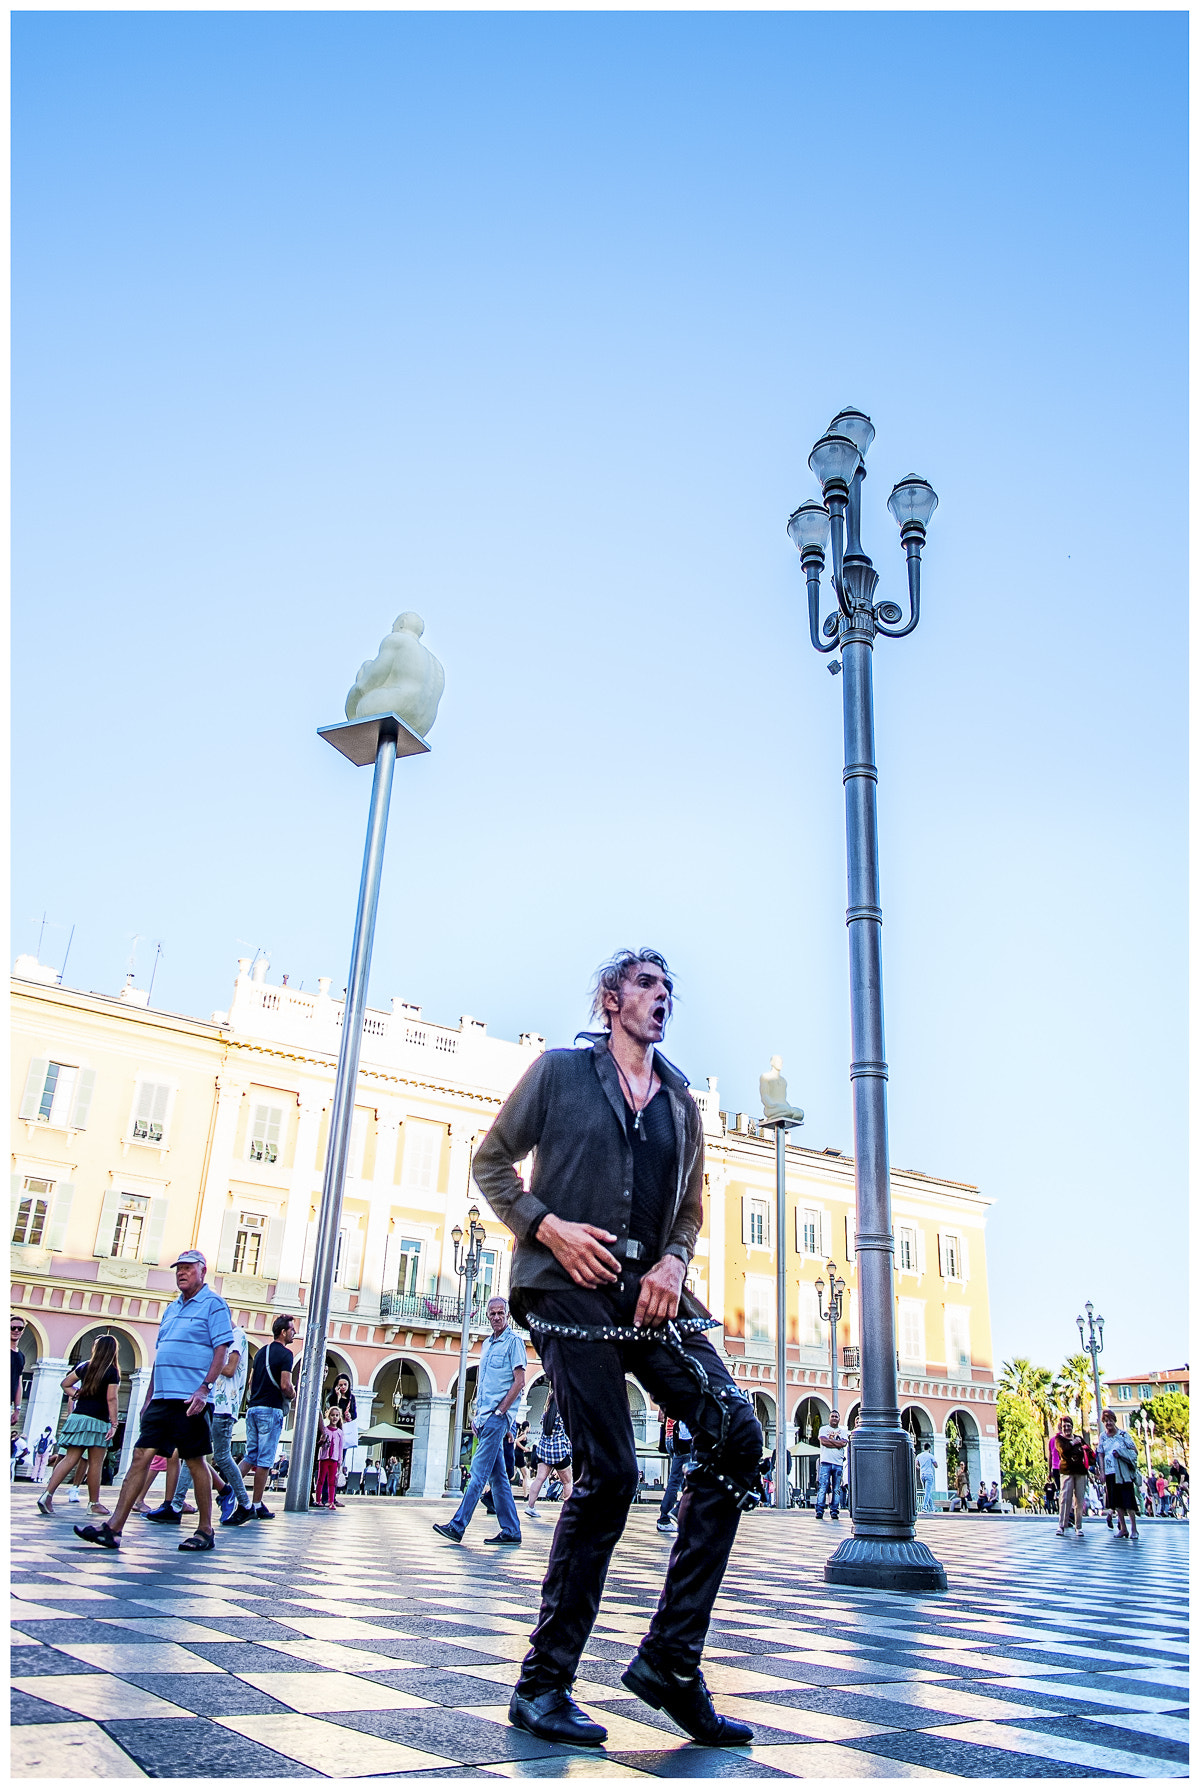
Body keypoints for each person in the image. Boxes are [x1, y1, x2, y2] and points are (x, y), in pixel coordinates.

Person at [472, 948, 760, 1749]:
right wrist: (545, 1225)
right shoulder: (560, 1071)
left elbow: (692, 1207)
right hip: (566, 1288)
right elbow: (490, 1160)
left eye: (669, 988)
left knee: (738, 1434)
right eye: (645, 984)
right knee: (612, 1474)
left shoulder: (680, 1100)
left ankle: (671, 1660)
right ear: (610, 999)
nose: (661, 997)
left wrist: (674, 1258)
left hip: (650, 1291)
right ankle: (542, 1685)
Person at [74, 1250, 233, 1553]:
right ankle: (114, 1528)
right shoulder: (171, 1308)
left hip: (190, 1398)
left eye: (187, 1268)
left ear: (203, 1271)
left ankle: (205, 1529)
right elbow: (163, 1354)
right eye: (178, 1269)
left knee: (195, 1460)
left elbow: (221, 1350)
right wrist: (149, 1396)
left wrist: (204, 1388)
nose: (181, 1273)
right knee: (140, 1456)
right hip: (162, 1397)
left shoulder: (214, 1305)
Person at [434, 1295, 526, 1545]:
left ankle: (458, 1525)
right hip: (485, 1418)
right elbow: (484, 1384)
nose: (496, 1317)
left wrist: (501, 1413)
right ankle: (511, 1530)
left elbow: (519, 1382)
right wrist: (477, 1415)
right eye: (492, 1314)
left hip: (498, 1418)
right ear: (487, 1316)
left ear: (507, 1315)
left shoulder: (514, 1343)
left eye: (500, 1313)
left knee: (477, 1473)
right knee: (498, 1477)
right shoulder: (487, 1345)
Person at [167, 1317, 254, 1528]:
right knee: (194, 1453)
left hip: (225, 1405)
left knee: (222, 1456)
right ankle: (175, 1506)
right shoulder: (223, 1339)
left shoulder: (237, 1336)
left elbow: (230, 1369)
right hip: (214, 1404)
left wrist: (208, 1362)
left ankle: (245, 1503)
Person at [36, 1338, 119, 1517]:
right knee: (95, 1463)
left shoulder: (84, 1366)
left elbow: (65, 1384)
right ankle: (94, 1503)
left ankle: (47, 1495)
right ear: (113, 1350)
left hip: (78, 1418)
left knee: (69, 1459)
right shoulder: (111, 1371)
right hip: (98, 1421)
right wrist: (114, 1423)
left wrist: (77, 1394)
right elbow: (111, 1398)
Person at [242, 1314, 296, 1518]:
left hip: (253, 1408)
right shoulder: (286, 1355)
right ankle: (256, 1504)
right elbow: (285, 1385)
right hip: (271, 1410)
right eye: (292, 1330)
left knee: (250, 1455)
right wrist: (293, 1394)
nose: (294, 1333)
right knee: (264, 1460)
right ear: (283, 1332)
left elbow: (251, 1381)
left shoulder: (261, 1352)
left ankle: (232, 1492)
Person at [526, 1393, 574, 1519]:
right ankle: (567, 1512)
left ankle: (530, 1506)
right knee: (567, 1482)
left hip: (544, 1451)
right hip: (559, 1452)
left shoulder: (546, 1415)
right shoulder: (564, 1415)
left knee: (539, 1479)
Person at [1098, 1408, 1140, 1539]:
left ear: (1114, 1421)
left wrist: (1121, 1453)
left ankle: (1134, 1529)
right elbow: (1100, 1454)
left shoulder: (1123, 1435)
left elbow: (1134, 1451)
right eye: (1105, 1421)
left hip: (1123, 1472)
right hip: (1110, 1473)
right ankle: (1123, 1528)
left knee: (1128, 1500)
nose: (1108, 1423)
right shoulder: (1102, 1436)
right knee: (1116, 1502)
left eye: (1110, 1420)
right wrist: (1102, 1471)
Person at [1054, 1416, 1090, 1539]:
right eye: (1064, 1426)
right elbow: (1063, 1451)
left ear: (1072, 1426)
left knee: (1079, 1500)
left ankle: (1078, 1526)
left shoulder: (1079, 1438)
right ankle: (1062, 1525)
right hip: (1067, 1471)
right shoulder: (1059, 1439)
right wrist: (1073, 1443)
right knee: (1065, 1499)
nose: (1067, 1428)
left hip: (1081, 1472)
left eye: (1069, 1425)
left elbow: (1088, 1451)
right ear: (1061, 1427)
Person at [657, 1417, 691, 1533]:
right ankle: (666, 1518)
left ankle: (680, 1515)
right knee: (680, 1480)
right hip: (684, 1438)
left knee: (680, 1480)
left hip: (671, 1436)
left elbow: (660, 1416)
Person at [816, 1409, 848, 1521]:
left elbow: (844, 1443)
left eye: (836, 1417)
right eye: (832, 1416)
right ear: (829, 1418)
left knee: (836, 1489)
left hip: (838, 1464)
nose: (834, 1418)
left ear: (839, 1419)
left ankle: (834, 1511)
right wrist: (837, 1444)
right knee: (822, 1487)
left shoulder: (843, 1430)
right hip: (825, 1462)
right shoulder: (823, 1429)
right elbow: (823, 1442)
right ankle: (819, 1510)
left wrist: (831, 1442)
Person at [316, 1405, 344, 1508]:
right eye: (332, 1415)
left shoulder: (340, 1432)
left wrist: (340, 1460)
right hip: (324, 1458)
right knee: (321, 1479)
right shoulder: (325, 1430)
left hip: (334, 1459)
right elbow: (320, 1444)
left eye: (337, 1415)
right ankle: (318, 1500)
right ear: (328, 1416)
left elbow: (341, 1447)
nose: (335, 1417)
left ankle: (331, 1501)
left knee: (332, 1481)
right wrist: (322, 1441)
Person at [11, 1315, 26, 1432]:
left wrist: (17, 1409)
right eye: (12, 1327)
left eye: (19, 1328)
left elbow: (19, 1382)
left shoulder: (21, 1356)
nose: (16, 1330)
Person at [917, 1442, 938, 1514]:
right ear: (929, 1449)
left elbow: (916, 1464)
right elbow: (936, 1465)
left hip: (922, 1474)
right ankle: (924, 1507)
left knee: (927, 1492)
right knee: (927, 1492)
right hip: (929, 1474)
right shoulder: (930, 1456)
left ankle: (932, 1508)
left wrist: (920, 1467)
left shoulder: (919, 1456)